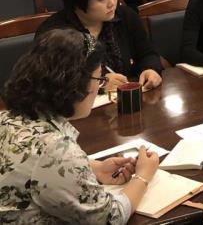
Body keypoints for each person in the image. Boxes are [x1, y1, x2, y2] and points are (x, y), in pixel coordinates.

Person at [0, 29, 160, 223]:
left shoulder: (7, 118)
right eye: (99, 80)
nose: (99, 87)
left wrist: (95, 168)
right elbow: (110, 218)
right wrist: (143, 176)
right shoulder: (56, 150)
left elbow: (32, 166)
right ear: (75, 83)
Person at [35, 0, 162, 90]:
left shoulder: (125, 16)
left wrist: (150, 69)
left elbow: (148, 53)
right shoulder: (54, 32)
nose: (112, 3)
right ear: (78, 3)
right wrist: (99, 84)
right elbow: (52, 82)